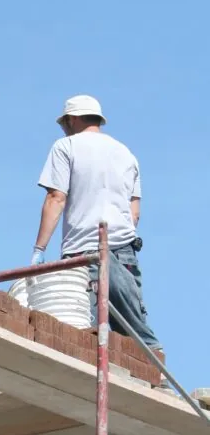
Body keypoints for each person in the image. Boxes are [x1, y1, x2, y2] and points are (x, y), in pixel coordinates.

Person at [31, 94, 163, 360]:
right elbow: (134, 212)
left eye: (64, 122)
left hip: (84, 251)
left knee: (85, 332)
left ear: (72, 119)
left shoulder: (65, 146)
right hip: (124, 250)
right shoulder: (126, 153)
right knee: (132, 329)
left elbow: (56, 198)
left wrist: (39, 248)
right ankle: (155, 374)